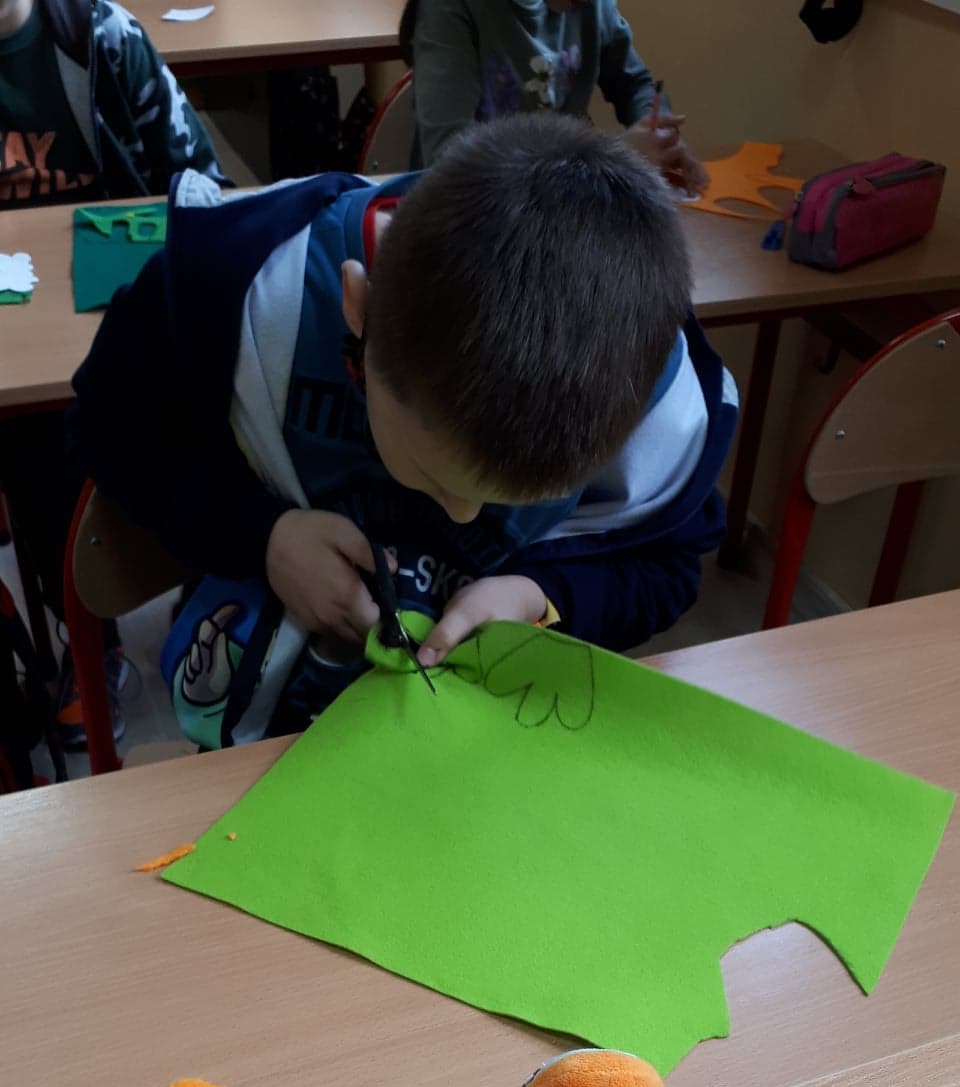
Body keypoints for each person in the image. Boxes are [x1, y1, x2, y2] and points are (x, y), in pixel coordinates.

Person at [70, 115, 737, 748]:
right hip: (272, 735)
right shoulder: (239, 285)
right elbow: (106, 425)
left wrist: (543, 595)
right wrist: (262, 536)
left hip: (481, 748)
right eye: (430, 474)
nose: (462, 515)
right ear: (357, 311)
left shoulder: (648, 394)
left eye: (516, 500)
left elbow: (669, 564)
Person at [0, 0, 225, 749]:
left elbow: (204, 191)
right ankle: (85, 636)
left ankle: (182, 595)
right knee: (33, 440)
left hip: (118, 312)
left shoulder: (103, 37)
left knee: (99, 424)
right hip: (16, 329)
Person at [398, 0, 705, 190]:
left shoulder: (592, 6)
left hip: (554, 215)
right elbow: (450, 167)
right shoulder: (451, 8)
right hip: (468, 229)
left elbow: (634, 84)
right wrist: (611, 161)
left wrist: (657, 131)